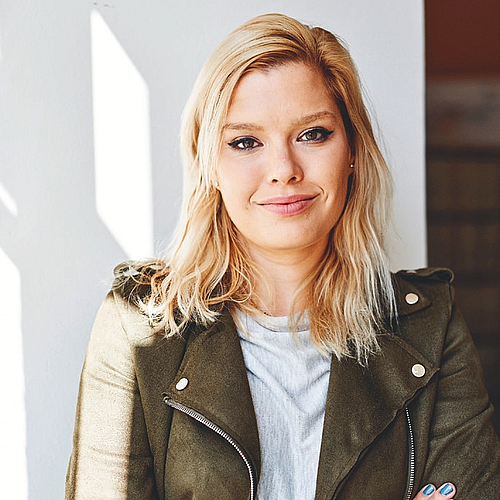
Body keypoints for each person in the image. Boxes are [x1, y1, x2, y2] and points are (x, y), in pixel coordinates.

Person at [65, 13, 500, 500]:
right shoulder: (137, 326)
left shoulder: (430, 325)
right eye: (245, 142)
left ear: (352, 151)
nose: (283, 170)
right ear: (210, 165)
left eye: (312, 134)